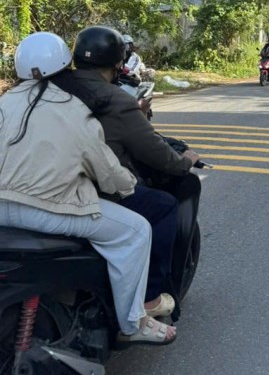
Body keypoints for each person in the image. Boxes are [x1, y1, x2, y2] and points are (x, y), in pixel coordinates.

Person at [0, 32, 176, 345]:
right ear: (66, 63)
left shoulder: (5, 102)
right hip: (46, 209)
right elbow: (106, 171)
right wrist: (128, 185)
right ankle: (133, 323)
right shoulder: (72, 108)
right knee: (135, 231)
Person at [53, 27, 198, 318]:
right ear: (118, 63)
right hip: (85, 191)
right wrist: (184, 162)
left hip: (42, 183)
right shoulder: (115, 99)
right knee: (163, 205)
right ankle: (148, 297)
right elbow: (153, 150)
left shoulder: (50, 89)